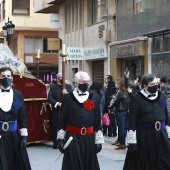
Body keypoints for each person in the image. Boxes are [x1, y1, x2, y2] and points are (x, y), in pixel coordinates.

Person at [57, 71, 104, 170]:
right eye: (83, 81)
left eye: (88, 81)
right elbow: (62, 120)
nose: (86, 84)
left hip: (89, 139)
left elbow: (97, 120)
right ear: (77, 83)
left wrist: (99, 141)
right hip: (72, 138)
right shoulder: (67, 98)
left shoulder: (94, 97)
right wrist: (60, 140)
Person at [123, 74, 170, 170]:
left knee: (163, 163)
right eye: (152, 84)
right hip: (144, 137)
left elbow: (166, 116)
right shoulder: (136, 99)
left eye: (156, 83)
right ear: (145, 86)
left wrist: (168, 134)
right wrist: (132, 142)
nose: (156, 86)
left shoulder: (161, 95)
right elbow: (132, 121)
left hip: (161, 135)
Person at [0, 67, 31, 170]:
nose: (6, 78)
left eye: (8, 76)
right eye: (3, 76)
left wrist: (24, 137)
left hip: (13, 136)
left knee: (15, 164)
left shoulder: (18, 95)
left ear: (12, 78)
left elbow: (22, 117)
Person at [48, 73, 72, 149]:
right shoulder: (53, 87)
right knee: (55, 126)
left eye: (63, 77)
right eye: (61, 77)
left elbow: (72, 96)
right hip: (56, 110)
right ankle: (55, 142)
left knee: (65, 126)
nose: (62, 79)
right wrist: (57, 103)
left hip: (66, 111)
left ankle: (64, 141)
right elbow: (49, 98)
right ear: (58, 79)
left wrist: (67, 94)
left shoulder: (68, 87)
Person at [108, 78, 130, 150]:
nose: (116, 85)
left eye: (117, 83)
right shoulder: (127, 92)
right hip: (125, 111)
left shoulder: (121, 93)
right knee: (123, 128)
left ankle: (122, 144)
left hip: (120, 111)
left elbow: (116, 102)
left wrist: (110, 107)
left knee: (121, 128)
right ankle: (121, 142)